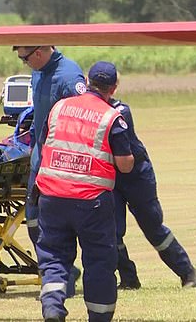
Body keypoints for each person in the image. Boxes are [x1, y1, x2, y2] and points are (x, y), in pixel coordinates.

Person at [35, 61, 134, 322]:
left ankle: (53, 307)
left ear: (87, 80)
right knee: (99, 262)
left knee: (54, 258)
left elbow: (46, 141)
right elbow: (125, 165)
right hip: (91, 201)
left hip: (52, 196)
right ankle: (99, 317)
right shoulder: (112, 117)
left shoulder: (59, 107)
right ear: (113, 88)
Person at [14, 45, 86, 294]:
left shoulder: (69, 76)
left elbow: (83, 119)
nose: (24, 63)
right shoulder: (38, 72)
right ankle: (62, 272)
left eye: (25, 58)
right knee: (33, 220)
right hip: (39, 158)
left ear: (38, 53)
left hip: (61, 162)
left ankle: (61, 280)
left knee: (56, 223)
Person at [110, 97, 196, 290]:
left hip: (136, 175)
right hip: (110, 175)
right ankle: (128, 279)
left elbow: (125, 161)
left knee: (153, 228)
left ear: (112, 88)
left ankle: (187, 272)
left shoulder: (120, 111)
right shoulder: (89, 108)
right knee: (111, 231)